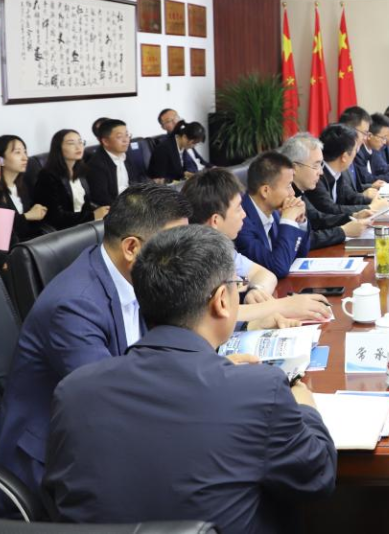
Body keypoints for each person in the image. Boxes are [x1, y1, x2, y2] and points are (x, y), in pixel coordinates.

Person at [43, 225, 338, 533]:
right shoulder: (261, 390)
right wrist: (305, 406)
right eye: (236, 285)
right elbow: (317, 476)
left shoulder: (73, 391)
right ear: (222, 300)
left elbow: (59, 495)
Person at [0, 184, 192, 513]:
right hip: (50, 462)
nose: (183, 258)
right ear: (132, 247)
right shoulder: (74, 306)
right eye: (174, 247)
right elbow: (110, 402)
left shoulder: (133, 275)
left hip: (105, 430)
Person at [181, 168, 330, 324]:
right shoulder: (191, 261)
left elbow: (264, 274)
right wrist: (282, 306)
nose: (244, 214)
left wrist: (256, 290)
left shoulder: (221, 248)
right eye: (238, 208)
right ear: (216, 221)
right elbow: (212, 316)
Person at [279, 133, 368, 249]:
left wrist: (353, 216)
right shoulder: (282, 196)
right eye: (316, 165)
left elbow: (317, 219)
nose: (321, 172)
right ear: (294, 168)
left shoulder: (299, 191)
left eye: (321, 165)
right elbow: (302, 240)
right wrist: (343, 231)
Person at [236, 151, 309, 277]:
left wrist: (299, 221)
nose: (292, 193)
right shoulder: (242, 223)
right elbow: (278, 268)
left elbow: (300, 255)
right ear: (265, 191)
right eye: (288, 186)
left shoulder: (275, 211)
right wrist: (288, 221)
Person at [33, 129, 109, 231]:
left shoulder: (80, 171)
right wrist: (92, 216)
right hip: (63, 231)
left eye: (80, 142)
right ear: (58, 148)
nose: (78, 147)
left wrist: (101, 211)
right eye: (71, 143)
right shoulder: (47, 176)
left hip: (83, 225)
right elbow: (55, 217)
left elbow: (85, 204)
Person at [310, 124, 388, 218]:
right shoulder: (317, 176)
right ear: (344, 157)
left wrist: (375, 201)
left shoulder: (337, 172)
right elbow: (331, 209)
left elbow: (350, 196)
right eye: (355, 150)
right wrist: (370, 207)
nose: (356, 154)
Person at [0, 134, 48, 245]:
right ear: (0, 160)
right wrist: (28, 216)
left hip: (31, 244)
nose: (25, 158)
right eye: (17, 152)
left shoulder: (23, 186)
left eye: (25, 152)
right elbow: (0, 233)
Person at [86, 118, 150, 207]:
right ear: (105, 141)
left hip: (132, 202)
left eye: (127, 135)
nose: (126, 140)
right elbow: (101, 198)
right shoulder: (96, 165)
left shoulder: (127, 155)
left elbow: (135, 182)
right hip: (115, 208)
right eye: (119, 137)